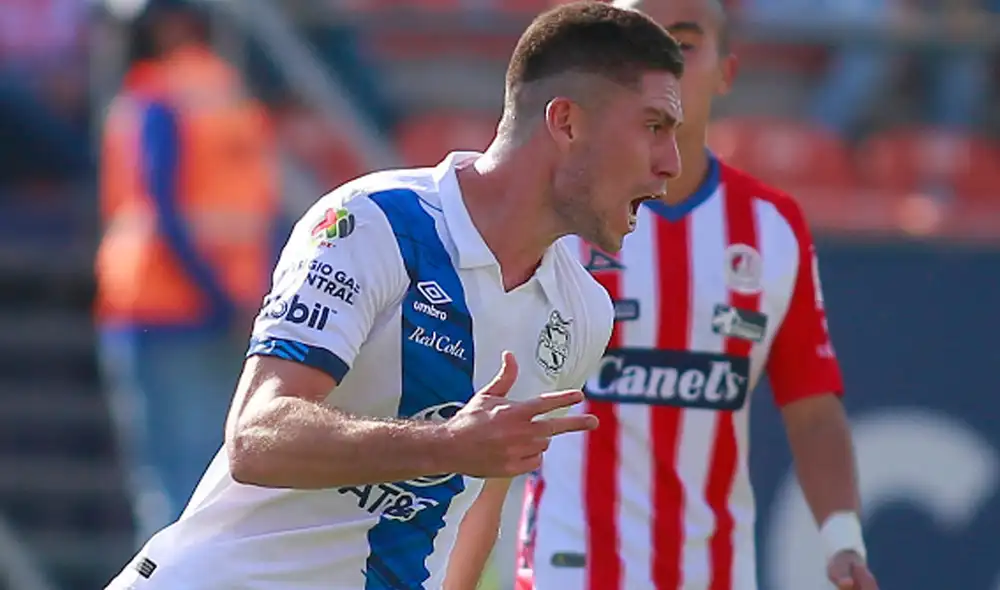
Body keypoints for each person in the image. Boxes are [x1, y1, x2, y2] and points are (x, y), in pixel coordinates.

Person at [105, 2, 686, 588]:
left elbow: (478, 503)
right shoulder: (375, 222)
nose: (671, 164)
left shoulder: (581, 313)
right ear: (567, 123)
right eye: (653, 127)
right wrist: (445, 445)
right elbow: (257, 437)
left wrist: (462, 453)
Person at [514, 1, 880, 589]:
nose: (659, 62)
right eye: (637, 43)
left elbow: (812, 407)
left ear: (726, 72)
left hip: (715, 571)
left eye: (682, 44)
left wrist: (842, 540)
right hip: (572, 566)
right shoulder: (558, 213)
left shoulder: (772, 227)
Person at [96, 0, 278, 543]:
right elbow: (264, 210)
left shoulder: (153, 96)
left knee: (169, 488)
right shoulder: (232, 92)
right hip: (234, 305)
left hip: (159, 306)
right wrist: (247, 300)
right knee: (219, 482)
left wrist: (217, 298)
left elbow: (163, 211)